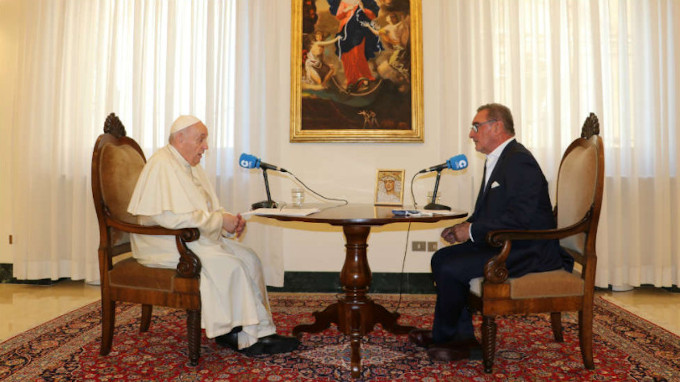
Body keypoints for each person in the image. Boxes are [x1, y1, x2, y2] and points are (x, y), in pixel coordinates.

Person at [408, 103, 574, 361]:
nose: (471, 134)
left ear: (497, 126)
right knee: (441, 258)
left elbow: (522, 218)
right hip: (507, 242)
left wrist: (472, 230)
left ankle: (463, 343)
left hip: (529, 249)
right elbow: (491, 213)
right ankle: (448, 335)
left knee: (452, 267)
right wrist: (461, 228)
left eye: (476, 126)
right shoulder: (499, 159)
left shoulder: (519, 161)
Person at [127, 115, 300, 356]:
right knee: (230, 265)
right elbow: (170, 218)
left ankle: (250, 332)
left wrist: (226, 221)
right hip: (164, 242)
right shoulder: (162, 164)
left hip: (188, 237)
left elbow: (202, 210)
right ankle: (249, 342)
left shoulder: (190, 166)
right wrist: (219, 222)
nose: (206, 146)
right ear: (180, 138)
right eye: (201, 139)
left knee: (249, 258)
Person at [327, 0, 383, 93]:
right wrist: (346, 10)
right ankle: (352, 81)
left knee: (358, 54)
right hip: (345, 31)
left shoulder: (362, 2)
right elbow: (338, 16)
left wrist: (362, 9)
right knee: (346, 57)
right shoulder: (344, 2)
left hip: (358, 31)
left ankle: (365, 77)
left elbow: (372, 16)